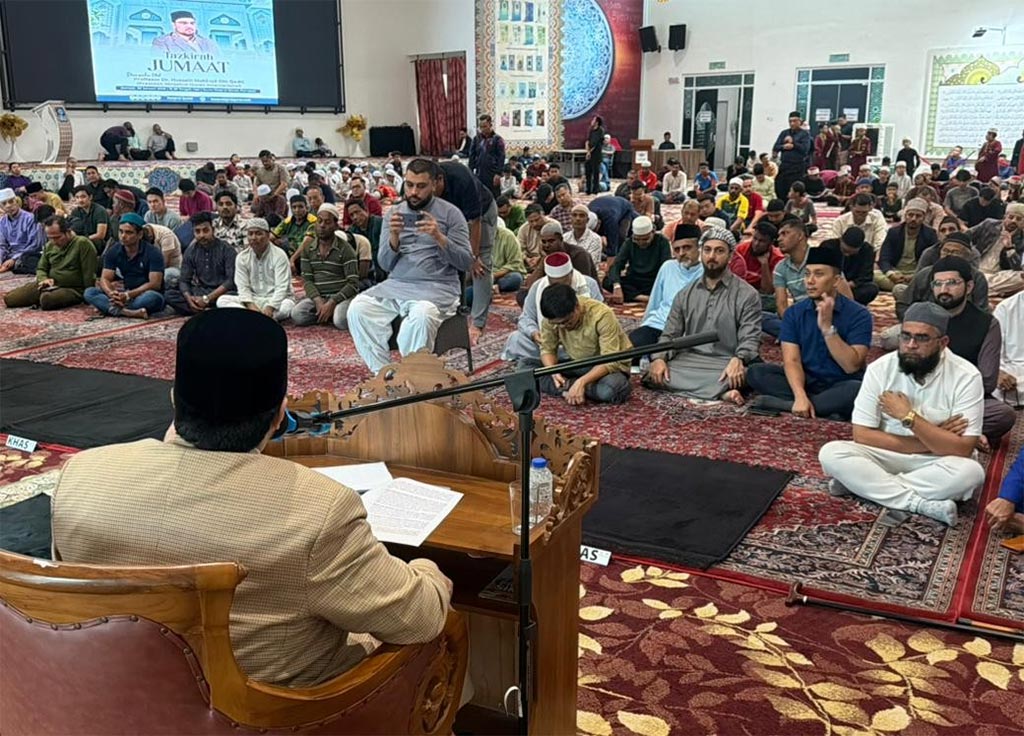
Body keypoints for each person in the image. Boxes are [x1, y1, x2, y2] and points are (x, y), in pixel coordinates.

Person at [52, 308, 452, 687]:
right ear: (279, 415)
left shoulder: (81, 475)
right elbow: (420, 620)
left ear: (174, 398)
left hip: (113, 703)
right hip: (282, 718)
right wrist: (427, 569)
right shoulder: (320, 512)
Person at [818, 303, 986, 526]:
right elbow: (862, 436)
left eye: (922, 338)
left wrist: (908, 417)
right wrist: (934, 437)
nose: (910, 345)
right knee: (831, 452)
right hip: (884, 454)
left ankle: (861, 485)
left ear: (943, 343)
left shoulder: (967, 376)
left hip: (937, 461)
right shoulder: (881, 369)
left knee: (971, 473)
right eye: (905, 336)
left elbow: (963, 448)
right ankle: (918, 503)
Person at [347, 159, 474, 374]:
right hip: (397, 285)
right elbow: (385, 264)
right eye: (409, 185)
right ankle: (384, 375)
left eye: (421, 186)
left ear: (434, 185)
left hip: (437, 288)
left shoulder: (451, 214)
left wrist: (438, 236)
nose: (414, 192)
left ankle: (412, 376)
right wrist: (394, 238)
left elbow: (465, 261)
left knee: (422, 315)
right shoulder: (394, 214)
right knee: (357, 309)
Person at [748, 244, 872, 420]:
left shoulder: (859, 314)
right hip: (806, 381)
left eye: (819, 274)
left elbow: (851, 366)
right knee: (756, 372)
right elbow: (792, 360)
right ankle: (817, 407)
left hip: (842, 383)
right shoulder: (794, 313)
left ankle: (784, 405)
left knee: (857, 390)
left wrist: (828, 329)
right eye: (807, 274)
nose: (810, 281)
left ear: (836, 280)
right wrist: (800, 395)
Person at [644, 227, 761, 404]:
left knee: (747, 375)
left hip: (726, 361)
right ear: (701, 253)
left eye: (719, 251)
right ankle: (721, 393)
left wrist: (739, 359)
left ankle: (719, 388)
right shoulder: (685, 294)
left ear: (730, 256)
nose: (712, 256)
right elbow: (670, 334)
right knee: (652, 374)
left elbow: (750, 338)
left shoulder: (747, 294)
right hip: (690, 359)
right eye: (707, 250)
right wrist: (659, 358)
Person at [921, 256, 1016, 446]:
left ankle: (927, 431)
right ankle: (955, 433)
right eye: (938, 284)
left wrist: (951, 392)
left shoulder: (986, 324)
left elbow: (988, 381)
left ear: (969, 286)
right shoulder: (921, 317)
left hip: (964, 398)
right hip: (921, 394)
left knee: (1003, 415)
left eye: (952, 283)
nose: (944, 290)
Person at [534, 284, 632, 405]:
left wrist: (582, 382)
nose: (562, 327)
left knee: (611, 389)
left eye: (566, 322)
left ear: (577, 307)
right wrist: (553, 371)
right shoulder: (551, 319)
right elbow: (547, 349)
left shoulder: (602, 315)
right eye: (557, 324)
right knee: (525, 367)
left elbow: (609, 360)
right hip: (576, 362)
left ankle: (568, 387)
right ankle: (572, 387)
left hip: (604, 367)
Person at [434, 159, 498, 341]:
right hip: (453, 219)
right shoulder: (421, 185)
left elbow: (475, 222)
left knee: (480, 267)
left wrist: (473, 257)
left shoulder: (462, 179)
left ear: (440, 180)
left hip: (481, 215)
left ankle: (478, 323)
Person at [502, 252, 603, 364]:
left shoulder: (589, 284)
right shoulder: (538, 287)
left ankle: (550, 361)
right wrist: (534, 333)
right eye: (554, 283)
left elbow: (600, 316)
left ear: (571, 274)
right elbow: (526, 317)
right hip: (549, 342)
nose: (558, 288)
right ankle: (554, 360)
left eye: (563, 282)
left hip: (582, 342)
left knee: (596, 347)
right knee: (516, 339)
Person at [628, 224, 704, 352]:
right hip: (660, 323)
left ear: (699, 248)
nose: (681, 253)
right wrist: (645, 324)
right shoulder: (668, 267)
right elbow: (655, 301)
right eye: (677, 249)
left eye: (687, 248)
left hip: (690, 329)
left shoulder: (707, 272)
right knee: (633, 344)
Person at [2, 215, 97, 310]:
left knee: (47, 299)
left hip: (73, 288)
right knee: (10, 299)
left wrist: (88, 294)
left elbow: (88, 273)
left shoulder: (82, 244)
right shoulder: (49, 246)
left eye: (57, 237)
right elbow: (41, 268)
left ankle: (43, 298)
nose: (53, 241)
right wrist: (43, 279)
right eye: (50, 238)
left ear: (68, 232)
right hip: (49, 285)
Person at [292, 204, 361, 329]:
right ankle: (325, 313)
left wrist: (333, 302)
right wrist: (318, 301)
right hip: (319, 296)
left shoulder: (346, 249)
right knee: (297, 315)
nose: (322, 225)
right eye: (320, 221)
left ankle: (329, 314)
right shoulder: (308, 249)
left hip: (340, 297)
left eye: (327, 222)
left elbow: (353, 284)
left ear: (335, 226)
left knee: (340, 320)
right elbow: (307, 281)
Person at [83, 213, 165, 319]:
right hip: (126, 292)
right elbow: (105, 278)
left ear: (139, 234)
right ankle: (129, 312)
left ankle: (111, 308)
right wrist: (112, 294)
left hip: (143, 294)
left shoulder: (153, 252)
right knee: (90, 292)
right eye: (121, 231)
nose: (123, 236)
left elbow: (155, 284)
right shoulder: (114, 250)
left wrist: (127, 296)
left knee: (152, 298)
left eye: (129, 232)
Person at [218, 218, 294, 322]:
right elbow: (242, 287)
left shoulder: (279, 255)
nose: (253, 238)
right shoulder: (242, 257)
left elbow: (282, 287)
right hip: (254, 300)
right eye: (250, 234)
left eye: (258, 233)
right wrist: (251, 306)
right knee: (222, 300)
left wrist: (270, 307)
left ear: (267, 235)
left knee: (286, 307)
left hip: (277, 300)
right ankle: (262, 319)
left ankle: (252, 319)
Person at [165, 212, 236, 315]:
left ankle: (201, 311)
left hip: (222, 293)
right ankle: (203, 310)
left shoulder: (227, 249)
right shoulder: (191, 251)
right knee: (169, 294)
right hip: (201, 291)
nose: (202, 235)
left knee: (232, 298)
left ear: (213, 230)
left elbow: (230, 281)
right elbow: (184, 280)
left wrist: (208, 298)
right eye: (197, 231)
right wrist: (189, 298)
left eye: (205, 230)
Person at [876, 198, 938, 294]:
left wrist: (915, 276)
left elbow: (932, 261)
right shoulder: (894, 232)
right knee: (873, 276)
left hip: (917, 273)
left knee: (929, 278)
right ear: (905, 216)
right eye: (910, 215)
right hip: (896, 272)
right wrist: (891, 274)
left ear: (924, 217)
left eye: (918, 216)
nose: (913, 219)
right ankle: (910, 289)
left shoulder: (930, 234)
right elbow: (884, 257)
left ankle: (904, 288)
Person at [603, 216, 670, 304]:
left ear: (653, 232)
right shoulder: (629, 243)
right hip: (634, 280)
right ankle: (645, 298)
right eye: (637, 239)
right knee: (607, 281)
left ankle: (635, 296)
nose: (641, 242)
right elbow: (617, 265)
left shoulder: (662, 242)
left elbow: (666, 267)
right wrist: (617, 287)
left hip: (654, 280)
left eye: (645, 239)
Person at [965, 202, 1024, 297]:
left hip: (997, 276)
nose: (1013, 221)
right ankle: (989, 291)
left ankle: (979, 289)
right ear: (1004, 217)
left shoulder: (1021, 239)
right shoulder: (989, 224)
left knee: (1021, 276)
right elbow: (966, 236)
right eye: (1011, 217)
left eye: (1019, 219)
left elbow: (1016, 268)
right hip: (976, 267)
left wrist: (1009, 247)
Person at [765, 216, 811, 337]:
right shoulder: (781, 267)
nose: (779, 239)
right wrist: (790, 325)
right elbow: (781, 305)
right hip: (800, 317)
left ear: (800, 236)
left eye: (785, 234)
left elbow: (845, 296)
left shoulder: (822, 257)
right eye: (779, 235)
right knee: (758, 317)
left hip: (826, 313)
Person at [466, 218, 526, 305]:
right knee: (465, 294)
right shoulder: (472, 237)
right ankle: (486, 290)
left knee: (515, 278)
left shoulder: (508, 236)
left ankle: (489, 289)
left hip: (500, 276)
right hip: (479, 275)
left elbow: (515, 263)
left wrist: (492, 276)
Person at [734, 221, 784, 316]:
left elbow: (768, 291)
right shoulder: (741, 249)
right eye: (755, 239)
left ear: (771, 243)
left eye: (762, 241)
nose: (756, 244)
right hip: (738, 292)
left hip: (760, 297)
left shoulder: (778, 258)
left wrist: (764, 264)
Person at [0, 189, 44, 276]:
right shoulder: (2, 222)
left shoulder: (30, 219)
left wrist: (14, 259)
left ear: (16, 202)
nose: (8, 206)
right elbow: (2, 245)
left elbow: (35, 245)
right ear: (1, 207)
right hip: (10, 256)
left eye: (11, 201)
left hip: (27, 254)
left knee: (28, 261)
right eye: (4, 203)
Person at [992, 290, 1023, 406]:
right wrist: (999, 373)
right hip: (1013, 370)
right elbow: (995, 351)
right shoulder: (1005, 308)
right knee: (1003, 381)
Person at [772, 111, 812, 200]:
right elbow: (776, 146)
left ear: (799, 122)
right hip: (784, 166)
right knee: (779, 187)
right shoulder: (784, 133)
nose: (792, 123)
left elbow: (805, 150)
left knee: (795, 191)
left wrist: (793, 143)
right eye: (790, 121)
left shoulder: (804, 134)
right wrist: (784, 146)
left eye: (794, 121)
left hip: (797, 167)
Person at [835, 228, 879, 305]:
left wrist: (847, 286)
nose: (846, 255)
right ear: (841, 240)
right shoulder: (829, 246)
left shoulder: (867, 250)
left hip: (853, 287)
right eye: (844, 250)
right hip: (831, 286)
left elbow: (866, 276)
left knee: (871, 288)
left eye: (851, 252)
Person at [346, 198, 386, 284]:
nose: (355, 217)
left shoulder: (380, 223)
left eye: (357, 212)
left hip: (384, 271)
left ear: (366, 210)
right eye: (352, 215)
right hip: (366, 273)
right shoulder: (352, 231)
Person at [469, 114, 506, 197]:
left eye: (485, 126)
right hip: (479, 173)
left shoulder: (497, 139)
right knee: (480, 197)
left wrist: (498, 174)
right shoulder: (476, 139)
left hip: (492, 174)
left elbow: (501, 157)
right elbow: (472, 156)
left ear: (490, 125)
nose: (482, 129)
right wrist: (470, 172)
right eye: (480, 127)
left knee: (494, 197)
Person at [66, 185, 109, 253]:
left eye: (83, 197)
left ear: (90, 197)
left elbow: (100, 235)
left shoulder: (100, 211)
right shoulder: (75, 212)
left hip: (98, 243)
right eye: (77, 197)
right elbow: (72, 230)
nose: (80, 200)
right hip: (81, 241)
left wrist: (82, 240)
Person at [272, 194, 316, 261]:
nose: (297, 210)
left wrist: (292, 259)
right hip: (289, 253)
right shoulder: (287, 221)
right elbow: (271, 236)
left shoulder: (313, 221)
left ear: (306, 208)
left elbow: (306, 244)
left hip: (307, 255)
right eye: (294, 207)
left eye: (301, 207)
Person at [563, 203, 603, 270]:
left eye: (581, 216)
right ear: (571, 219)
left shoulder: (595, 239)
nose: (578, 219)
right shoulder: (565, 238)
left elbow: (589, 264)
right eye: (574, 215)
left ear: (587, 220)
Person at [583, 115, 605, 195]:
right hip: (589, 153)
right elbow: (588, 141)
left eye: (593, 120)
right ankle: (588, 189)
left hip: (596, 154)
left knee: (596, 173)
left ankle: (595, 190)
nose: (591, 121)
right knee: (588, 172)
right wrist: (587, 151)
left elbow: (595, 143)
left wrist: (589, 152)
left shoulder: (600, 130)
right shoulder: (591, 130)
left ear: (597, 122)